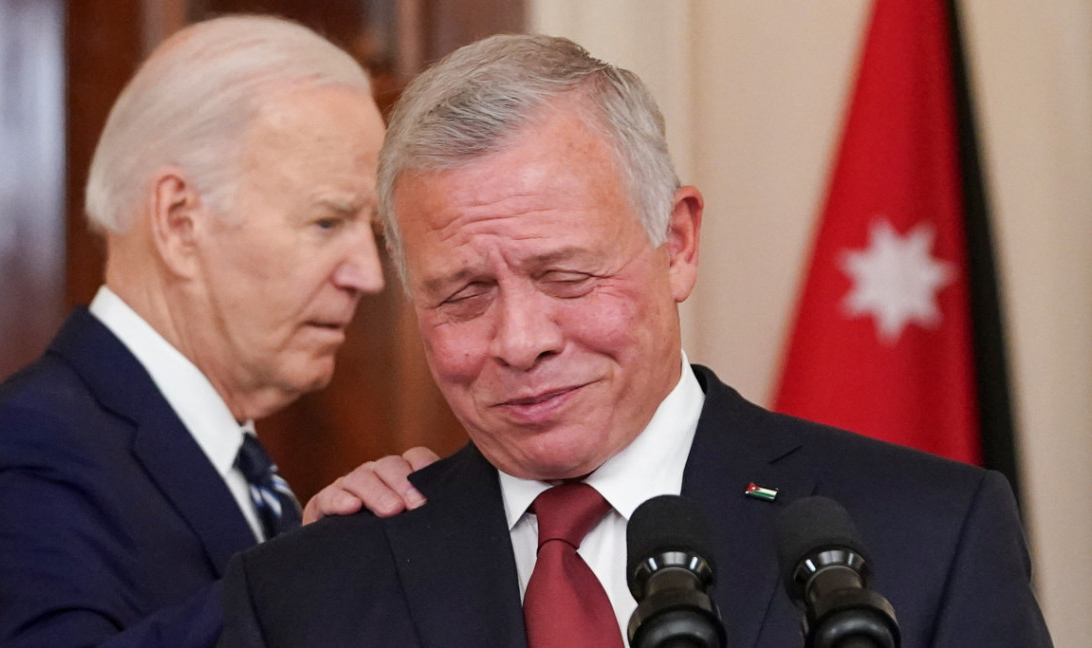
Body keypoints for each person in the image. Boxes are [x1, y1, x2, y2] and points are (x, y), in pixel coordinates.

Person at [217, 33, 1053, 648]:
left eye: (566, 276)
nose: (520, 340)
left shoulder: (931, 533)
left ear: (678, 242)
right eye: (463, 295)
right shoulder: (312, 589)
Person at [0, 15, 433, 648]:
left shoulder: (231, 464)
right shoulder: (26, 451)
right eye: (326, 222)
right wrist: (312, 576)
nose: (368, 275)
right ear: (179, 221)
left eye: (366, 232)